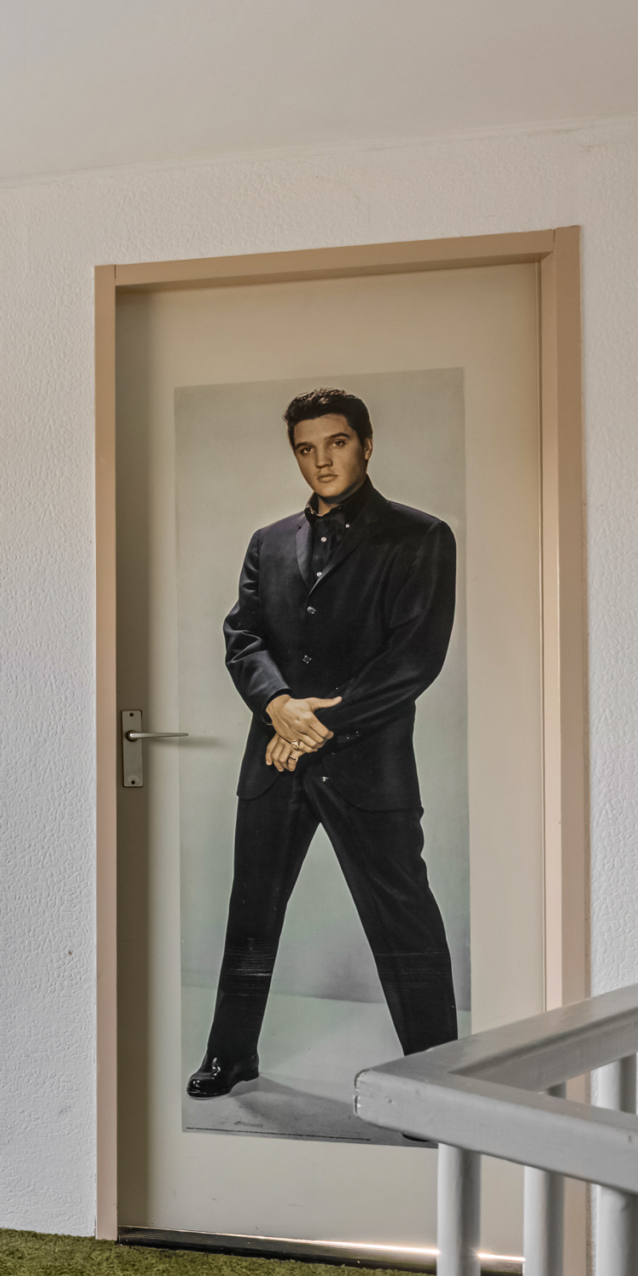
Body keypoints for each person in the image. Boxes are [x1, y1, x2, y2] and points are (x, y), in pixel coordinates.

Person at [187, 388, 459, 1099]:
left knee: (404, 921)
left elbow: (414, 657)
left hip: (366, 766)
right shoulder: (269, 542)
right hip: (273, 760)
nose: (322, 461)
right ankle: (230, 1055)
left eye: (336, 443)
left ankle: (437, 1081)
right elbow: (242, 636)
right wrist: (278, 705)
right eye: (306, 449)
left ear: (366, 444)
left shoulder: (421, 536)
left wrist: (314, 726)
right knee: (252, 914)